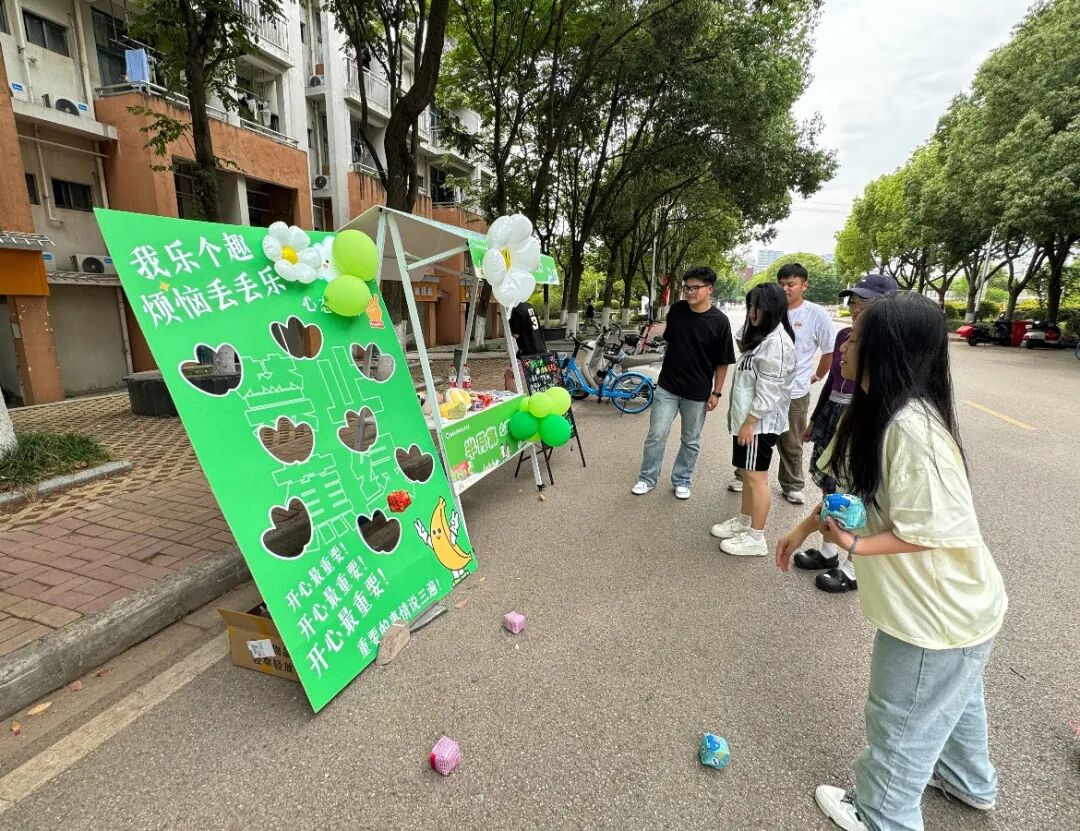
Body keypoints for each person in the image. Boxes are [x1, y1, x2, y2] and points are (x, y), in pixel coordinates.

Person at [776, 292, 1007, 831]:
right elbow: (844, 494)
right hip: (961, 611)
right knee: (952, 698)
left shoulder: (911, 430)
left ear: (886, 349)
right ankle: (968, 782)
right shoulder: (874, 411)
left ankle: (882, 814)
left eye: (856, 335)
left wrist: (854, 548)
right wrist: (802, 528)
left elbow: (933, 534)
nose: (846, 343)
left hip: (935, 615)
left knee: (902, 719)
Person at [793, 273, 898, 593]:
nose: (855, 308)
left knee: (860, 490)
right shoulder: (844, 336)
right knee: (830, 483)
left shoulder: (889, 346)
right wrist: (815, 417)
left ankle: (854, 567)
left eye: (863, 302)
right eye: (853, 301)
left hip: (863, 416)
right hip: (835, 412)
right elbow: (832, 380)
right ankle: (828, 551)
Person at [727, 263, 833, 503]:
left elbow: (829, 351)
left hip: (793, 392)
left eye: (791, 284)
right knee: (752, 441)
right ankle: (744, 475)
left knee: (789, 441)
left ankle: (792, 484)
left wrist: (816, 375)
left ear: (804, 285)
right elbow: (743, 341)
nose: (785, 288)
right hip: (761, 389)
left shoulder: (814, 315)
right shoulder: (764, 313)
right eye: (781, 283)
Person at [631, 266, 735, 500]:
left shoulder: (720, 321)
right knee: (656, 433)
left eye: (695, 288)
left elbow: (722, 362)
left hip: (697, 393)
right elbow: (671, 342)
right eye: (687, 287)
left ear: (710, 289)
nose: (689, 292)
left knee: (690, 440)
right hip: (668, 386)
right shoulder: (677, 310)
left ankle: (682, 480)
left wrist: (716, 393)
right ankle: (647, 478)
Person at [710, 283, 796, 557]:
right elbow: (740, 339)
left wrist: (750, 422)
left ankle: (756, 538)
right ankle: (744, 522)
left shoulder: (777, 344)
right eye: (749, 306)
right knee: (747, 475)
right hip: (747, 422)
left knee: (757, 479)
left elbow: (770, 392)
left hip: (759, 425)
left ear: (772, 309)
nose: (751, 312)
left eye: (757, 306)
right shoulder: (762, 338)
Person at [504, 301, 547, 390]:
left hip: (527, 351)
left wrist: (508, 326)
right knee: (538, 378)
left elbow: (516, 334)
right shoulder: (529, 306)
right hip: (540, 347)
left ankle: (512, 400)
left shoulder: (516, 310)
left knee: (509, 375)